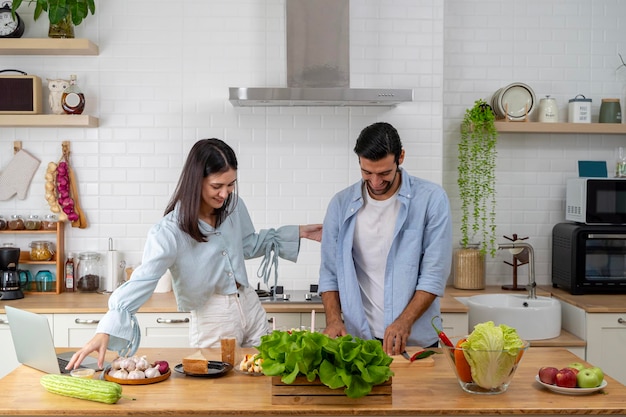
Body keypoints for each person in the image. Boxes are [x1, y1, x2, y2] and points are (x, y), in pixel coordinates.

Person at [67, 138, 322, 370]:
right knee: (219, 394)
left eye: (231, 184)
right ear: (196, 181)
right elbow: (144, 279)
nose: (225, 193)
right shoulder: (169, 230)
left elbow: (247, 245)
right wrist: (106, 329)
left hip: (249, 304)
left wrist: (298, 232)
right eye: (217, 186)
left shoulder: (233, 206)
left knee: (267, 374)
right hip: (212, 317)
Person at [318, 122, 452, 356]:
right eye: (367, 172)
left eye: (384, 173)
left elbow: (433, 275)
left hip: (414, 340)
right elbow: (330, 273)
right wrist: (333, 320)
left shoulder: (432, 199)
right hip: (358, 340)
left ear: (400, 157)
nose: (376, 182)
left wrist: (404, 322)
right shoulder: (340, 204)